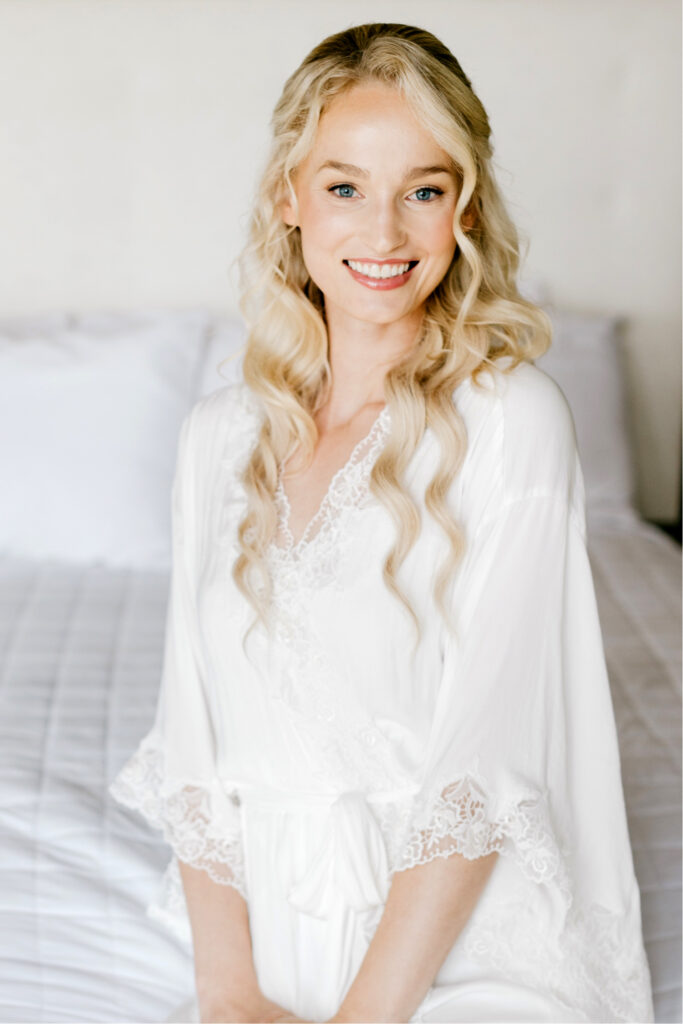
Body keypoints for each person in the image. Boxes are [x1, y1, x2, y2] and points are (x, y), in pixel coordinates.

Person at [109, 22, 654, 1024]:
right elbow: (193, 746)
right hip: (267, 931)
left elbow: (483, 768)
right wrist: (228, 995)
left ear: (464, 207)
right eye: (344, 186)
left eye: (424, 188)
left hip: (454, 944)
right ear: (289, 198)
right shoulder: (213, 440)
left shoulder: (512, 423)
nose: (385, 233)